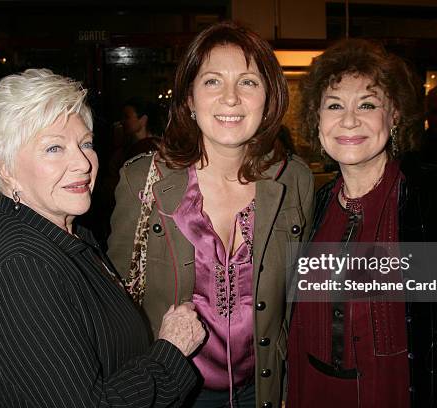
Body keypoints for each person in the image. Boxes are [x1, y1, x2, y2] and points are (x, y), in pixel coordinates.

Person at [107, 21, 314, 408]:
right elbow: (117, 305)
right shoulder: (142, 179)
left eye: (249, 82)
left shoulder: (295, 179)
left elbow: (301, 297)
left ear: (268, 98)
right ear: (189, 97)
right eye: (213, 81)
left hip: (264, 388)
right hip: (174, 391)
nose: (231, 98)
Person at [0, 68, 205, 407]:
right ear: (6, 169)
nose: (82, 162)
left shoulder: (64, 233)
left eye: (85, 144)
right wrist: (171, 350)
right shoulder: (23, 267)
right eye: (54, 148)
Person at [287, 39, 437, 407]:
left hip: (398, 392)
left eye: (367, 104)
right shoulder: (311, 207)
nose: (349, 120)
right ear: (316, 119)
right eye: (334, 105)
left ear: (395, 114)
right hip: (315, 391)